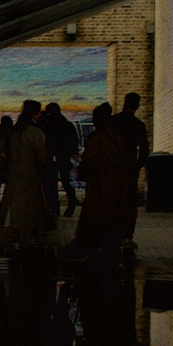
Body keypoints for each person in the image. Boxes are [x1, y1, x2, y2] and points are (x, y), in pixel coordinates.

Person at [66, 103, 125, 263]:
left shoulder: (97, 137)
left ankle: (86, 245)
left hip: (98, 184)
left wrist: (83, 176)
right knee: (109, 215)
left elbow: (89, 161)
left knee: (93, 216)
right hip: (114, 184)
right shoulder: (118, 136)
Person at [2, 100, 55, 247]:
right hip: (30, 174)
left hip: (14, 174)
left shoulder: (13, 131)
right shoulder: (35, 132)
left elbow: (2, 150)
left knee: (15, 207)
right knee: (32, 206)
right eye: (38, 113)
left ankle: (16, 236)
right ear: (33, 114)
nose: (39, 115)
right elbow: (41, 155)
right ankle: (32, 234)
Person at [109, 93, 149, 247]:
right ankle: (127, 235)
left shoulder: (114, 122)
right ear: (137, 106)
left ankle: (112, 232)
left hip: (113, 168)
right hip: (130, 169)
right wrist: (138, 165)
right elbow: (144, 149)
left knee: (113, 201)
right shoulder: (138, 125)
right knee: (129, 204)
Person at [46, 103, 81, 217]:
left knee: (52, 184)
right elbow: (74, 143)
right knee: (66, 182)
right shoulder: (67, 125)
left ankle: (55, 208)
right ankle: (71, 201)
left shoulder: (49, 125)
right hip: (64, 158)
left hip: (52, 158)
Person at [38, 106, 61, 216]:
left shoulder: (37, 131)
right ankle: (53, 208)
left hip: (41, 163)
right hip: (50, 162)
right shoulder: (50, 130)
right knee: (52, 187)